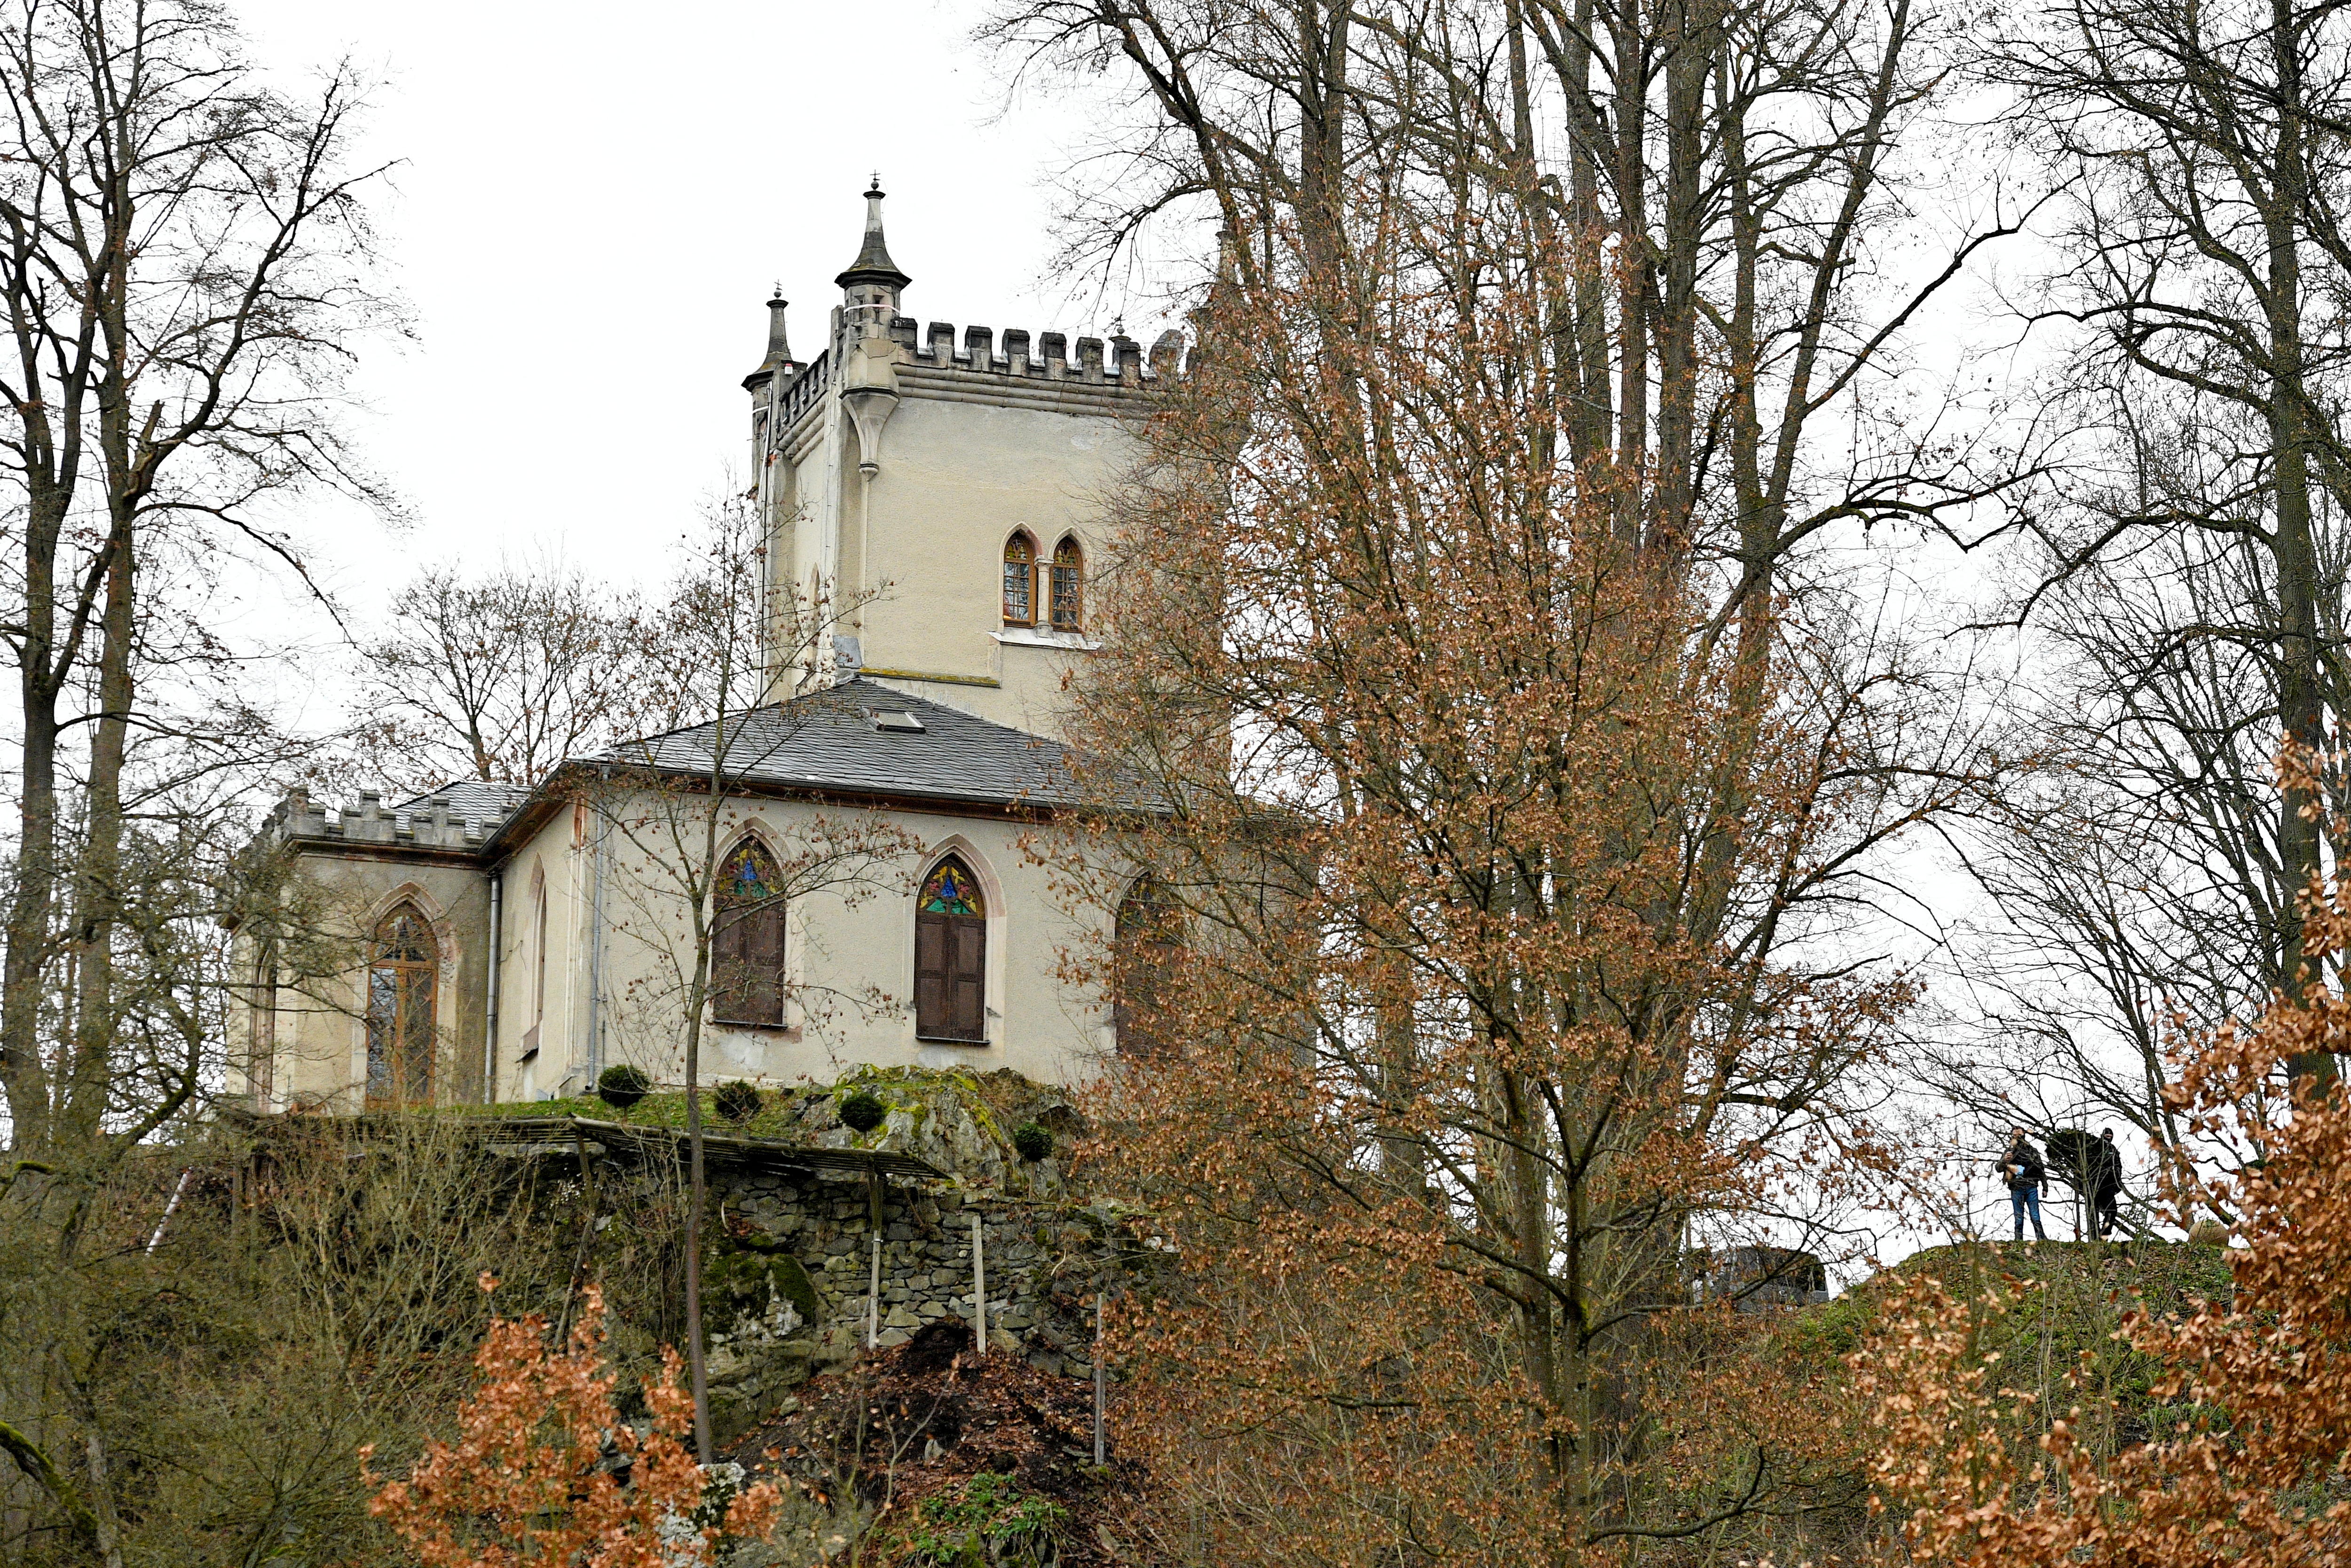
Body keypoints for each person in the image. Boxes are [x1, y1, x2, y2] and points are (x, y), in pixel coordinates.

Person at [1998, 1128, 2048, 1242]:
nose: (2017, 1136)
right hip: (2016, 1187)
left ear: (2024, 1134)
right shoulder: (2009, 1152)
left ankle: (2041, 1240)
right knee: (2019, 1218)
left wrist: (2045, 1187)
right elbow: (1998, 1168)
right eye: (2015, 1134)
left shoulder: (2032, 1151)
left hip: (2031, 1186)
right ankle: (2019, 1241)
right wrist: (2004, 1161)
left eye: (2019, 1134)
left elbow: (2041, 1170)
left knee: (2035, 1216)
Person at [2089, 1127, 2124, 1239]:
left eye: (2110, 1138)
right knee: (2093, 1213)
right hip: (2095, 1184)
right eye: (2107, 1137)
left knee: (2112, 1211)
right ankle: (2094, 1237)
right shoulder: (2094, 1147)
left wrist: (2117, 1182)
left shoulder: (2113, 1150)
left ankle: (2104, 1235)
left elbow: (2118, 1166)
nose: (2108, 1139)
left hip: (2109, 1185)